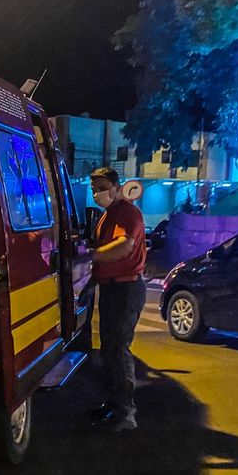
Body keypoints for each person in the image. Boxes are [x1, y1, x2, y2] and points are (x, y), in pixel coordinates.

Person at [88, 167, 147, 432]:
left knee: (119, 349)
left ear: (116, 186)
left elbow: (125, 245)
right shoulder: (108, 215)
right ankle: (113, 404)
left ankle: (126, 414)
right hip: (112, 288)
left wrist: (92, 255)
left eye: (102, 188)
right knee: (109, 349)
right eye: (94, 189)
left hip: (126, 289)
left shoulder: (127, 213)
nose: (97, 194)